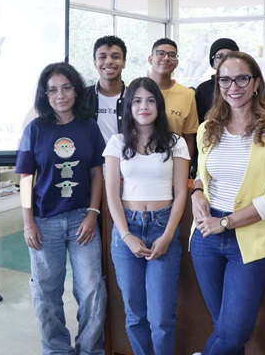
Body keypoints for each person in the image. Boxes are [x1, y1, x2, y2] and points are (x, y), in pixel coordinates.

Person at [190, 51, 265, 354]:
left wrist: (225, 223)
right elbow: (202, 174)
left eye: (241, 78)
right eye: (225, 79)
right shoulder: (207, 128)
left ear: (256, 83)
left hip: (251, 237)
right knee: (223, 327)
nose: (233, 86)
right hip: (205, 238)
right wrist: (197, 191)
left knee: (233, 331)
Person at [16, 62, 107, 355]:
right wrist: (28, 223)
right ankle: (57, 350)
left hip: (82, 219)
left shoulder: (89, 127)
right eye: (53, 89)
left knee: (92, 289)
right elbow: (26, 178)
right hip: (44, 223)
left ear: (76, 90)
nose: (61, 95)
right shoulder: (35, 130)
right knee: (46, 293)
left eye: (67, 87)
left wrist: (93, 214)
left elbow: (97, 173)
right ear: (45, 93)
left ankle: (89, 349)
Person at [103, 77, 190, 355]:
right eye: (138, 100)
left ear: (159, 105)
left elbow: (181, 194)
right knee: (135, 314)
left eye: (151, 100)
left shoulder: (176, 143)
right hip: (126, 228)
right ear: (129, 105)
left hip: (163, 226)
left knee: (161, 317)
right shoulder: (116, 143)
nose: (144, 106)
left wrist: (166, 237)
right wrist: (126, 236)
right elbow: (112, 196)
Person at [147, 37, 199, 160]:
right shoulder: (133, 90)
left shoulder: (187, 94)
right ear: (150, 59)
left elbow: (189, 138)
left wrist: (185, 170)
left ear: (176, 62)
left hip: (173, 163)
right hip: (136, 162)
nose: (166, 58)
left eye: (172, 55)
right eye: (160, 53)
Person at [83, 35, 127, 143]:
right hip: (92, 159)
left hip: (127, 159)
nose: (109, 61)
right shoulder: (82, 97)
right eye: (102, 57)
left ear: (124, 62)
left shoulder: (135, 97)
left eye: (115, 56)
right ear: (95, 63)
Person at [195, 37, 239, 124]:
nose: (225, 60)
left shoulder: (248, 85)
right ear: (213, 63)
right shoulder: (203, 89)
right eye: (219, 56)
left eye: (230, 55)